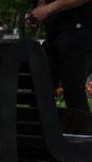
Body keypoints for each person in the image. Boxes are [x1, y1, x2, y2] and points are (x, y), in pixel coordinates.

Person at [30, 0, 92, 130]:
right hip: (54, 32)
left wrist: (49, 8)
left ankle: (83, 142)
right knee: (40, 87)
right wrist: (41, 6)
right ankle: (41, 136)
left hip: (78, 27)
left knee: (73, 89)